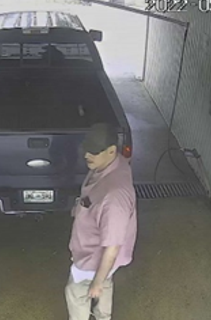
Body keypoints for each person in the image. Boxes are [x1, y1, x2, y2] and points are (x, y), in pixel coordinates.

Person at [65, 123, 138, 320]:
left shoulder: (114, 198)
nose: (87, 155)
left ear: (111, 150)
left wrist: (96, 280)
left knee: (76, 293)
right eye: (86, 148)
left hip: (92, 258)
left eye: (94, 151)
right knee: (105, 282)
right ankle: (103, 316)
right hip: (101, 260)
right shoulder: (114, 164)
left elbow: (112, 247)